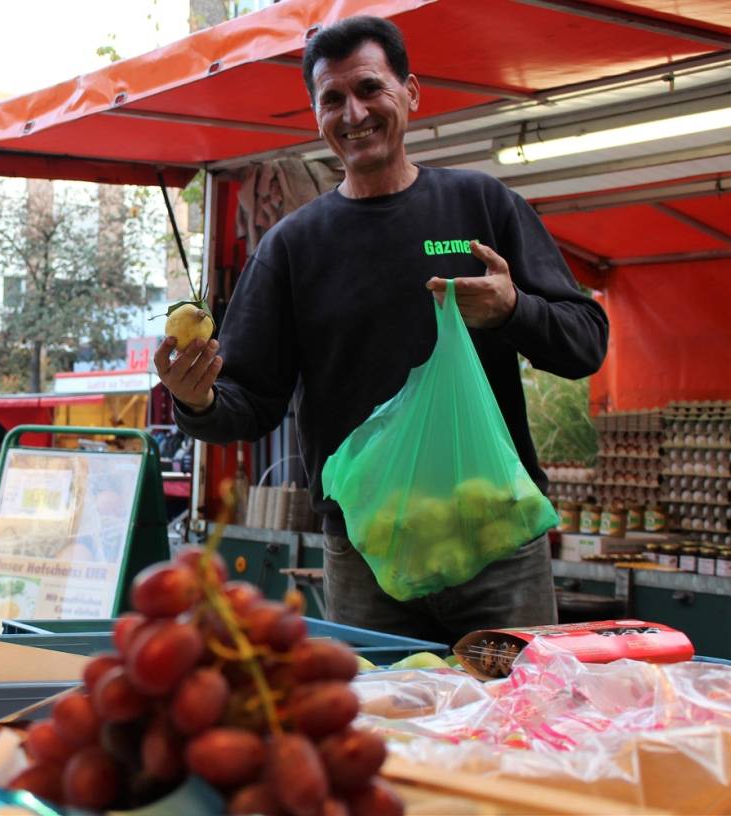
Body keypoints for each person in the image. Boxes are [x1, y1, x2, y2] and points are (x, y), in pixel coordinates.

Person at [154, 16, 608, 644]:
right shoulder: (293, 248)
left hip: (497, 545)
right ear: (316, 115)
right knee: (377, 729)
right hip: (368, 557)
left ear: (412, 93)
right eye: (332, 99)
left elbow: (586, 341)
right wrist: (196, 397)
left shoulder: (481, 206)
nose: (353, 113)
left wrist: (514, 310)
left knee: (516, 723)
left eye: (370, 88)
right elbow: (251, 402)